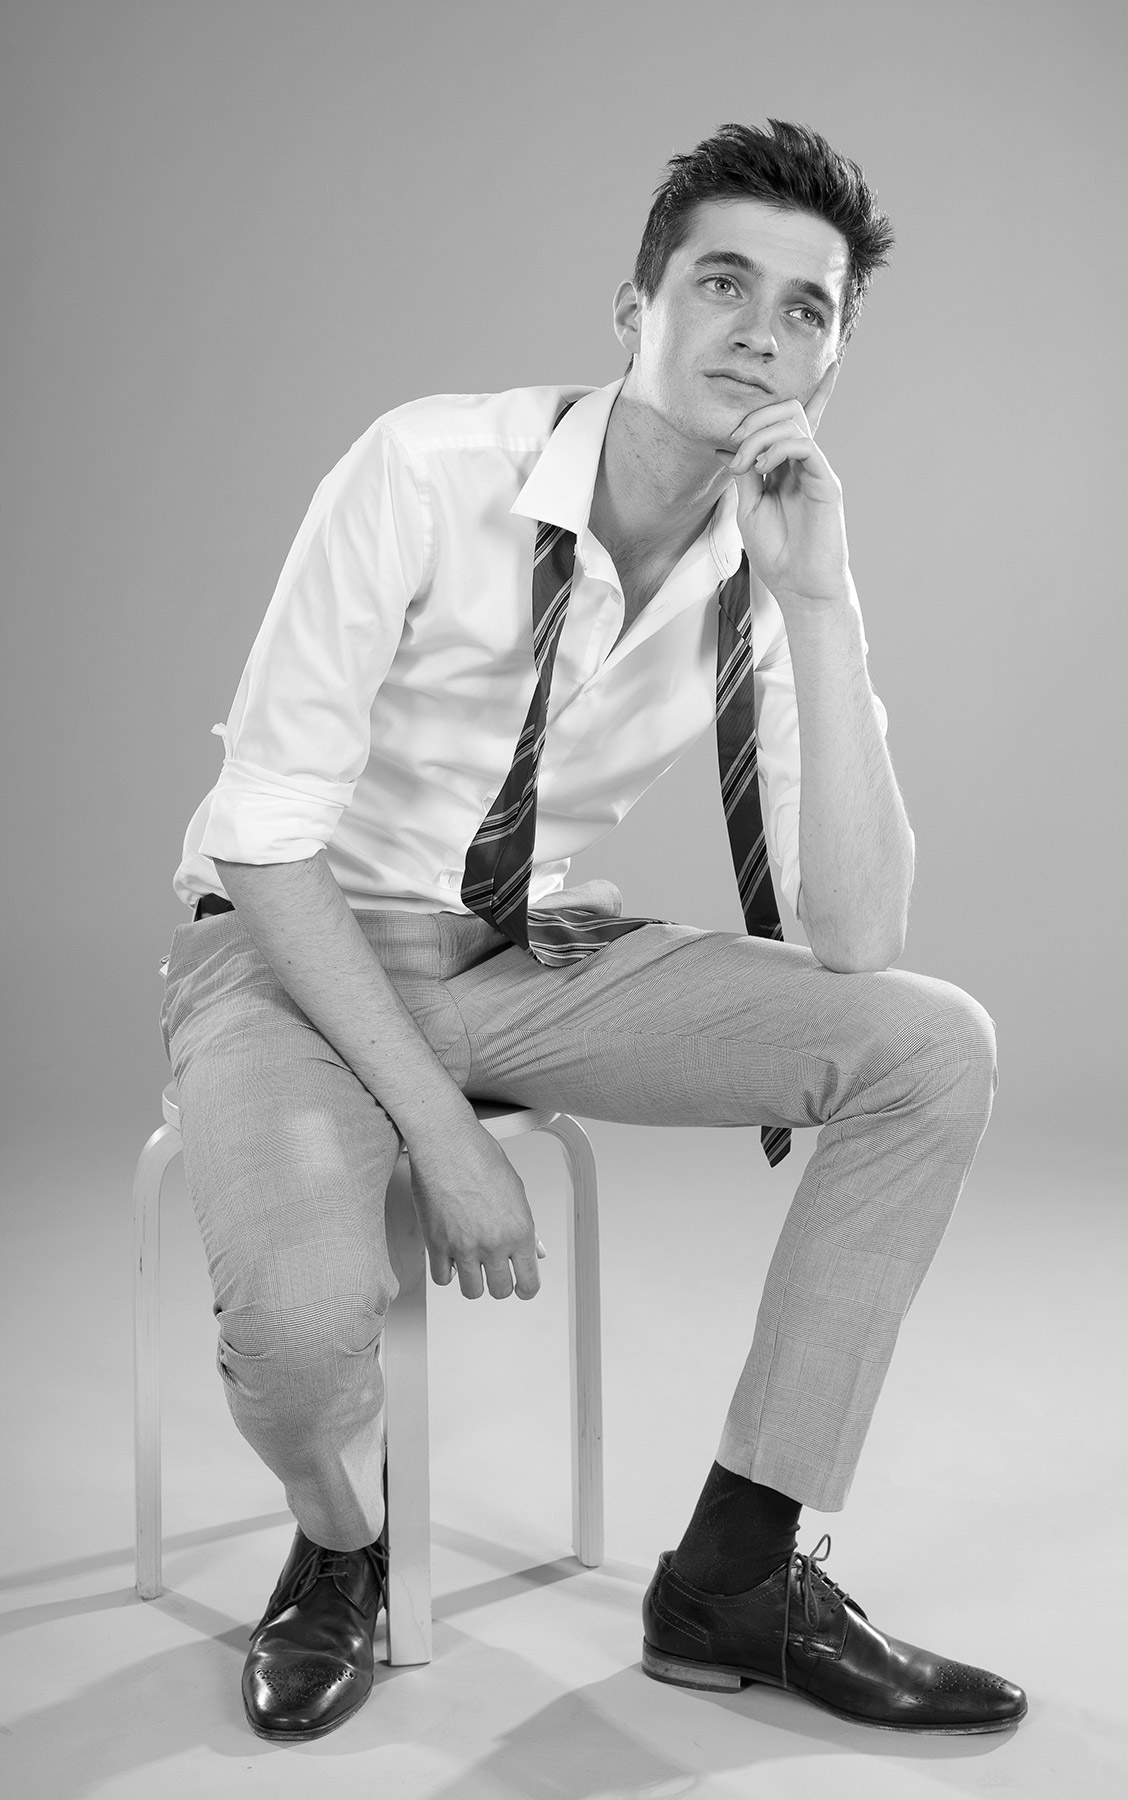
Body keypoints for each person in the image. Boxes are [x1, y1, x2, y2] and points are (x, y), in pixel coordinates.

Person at [163, 118, 1026, 1743]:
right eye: (722, 283)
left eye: (807, 309)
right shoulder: (426, 470)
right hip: (292, 951)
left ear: (832, 361)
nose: (761, 332)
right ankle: (343, 1547)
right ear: (635, 307)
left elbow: (859, 935)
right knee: (295, 1333)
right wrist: (442, 1136)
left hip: (520, 959)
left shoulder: (771, 559)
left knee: (931, 1048)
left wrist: (820, 603)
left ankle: (738, 1577)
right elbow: (266, 839)